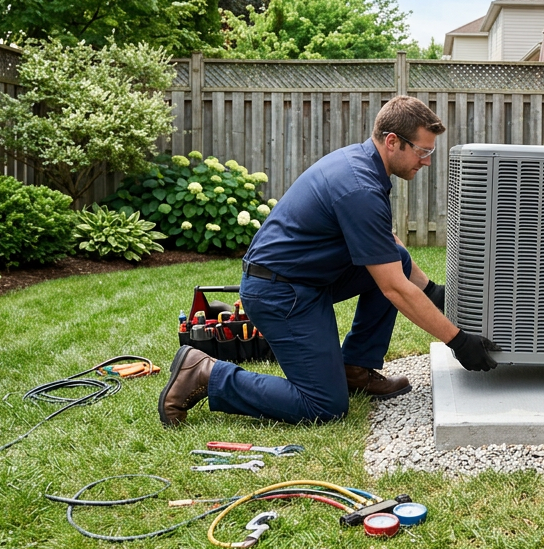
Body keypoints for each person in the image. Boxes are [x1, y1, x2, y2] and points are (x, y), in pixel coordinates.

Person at [158, 95, 501, 426]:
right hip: (280, 293)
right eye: (423, 151)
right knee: (323, 404)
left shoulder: (364, 164)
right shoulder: (360, 187)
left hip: (303, 279)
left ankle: (355, 368)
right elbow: (394, 288)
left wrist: (431, 290)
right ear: (393, 141)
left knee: (393, 256)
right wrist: (457, 341)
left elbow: (384, 243)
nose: (426, 161)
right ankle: (205, 372)